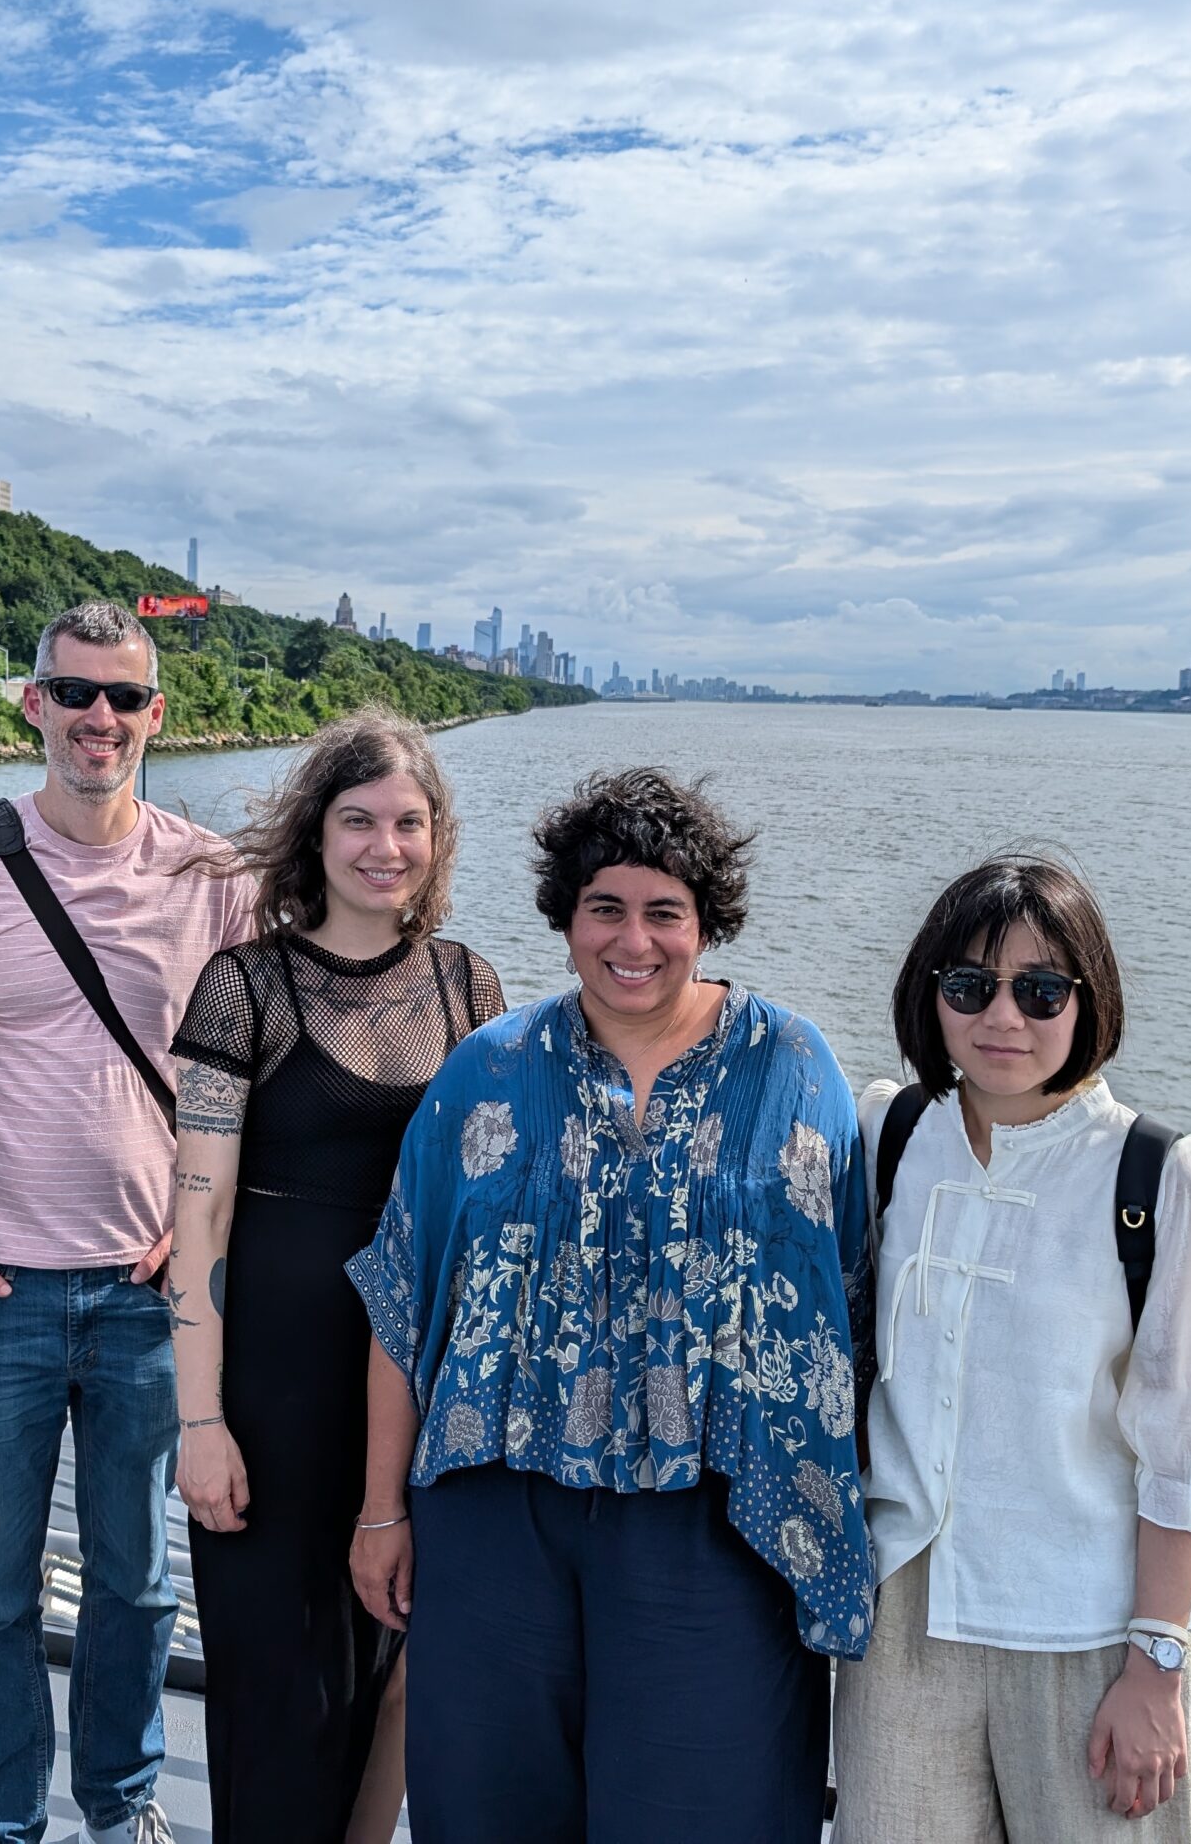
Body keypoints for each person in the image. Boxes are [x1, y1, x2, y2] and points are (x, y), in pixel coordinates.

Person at [345, 766, 872, 1844]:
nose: (633, 940)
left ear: (705, 921)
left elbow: (845, 1298)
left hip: (717, 1515)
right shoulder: (486, 1070)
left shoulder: (793, 1066)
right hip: (497, 1506)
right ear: (567, 915)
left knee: (703, 1806)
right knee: (491, 1805)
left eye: (663, 911)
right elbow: (405, 1302)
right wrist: (381, 1509)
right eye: (605, 907)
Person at [0, 601, 257, 1844]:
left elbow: (260, 1074)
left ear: (159, 716)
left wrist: (209, 1224)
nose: (101, 717)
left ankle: (121, 1801)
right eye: (75, 692)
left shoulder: (214, 878)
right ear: (31, 702)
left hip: (152, 1290)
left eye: (126, 697)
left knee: (136, 1585)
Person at [831, 855, 1191, 1842]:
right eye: (969, 985)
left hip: (1088, 1625)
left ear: (1086, 998)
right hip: (905, 1618)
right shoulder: (891, 1132)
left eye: (1040, 988)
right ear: (930, 994)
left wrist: (1155, 1662)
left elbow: (1184, 1445)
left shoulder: (1156, 1172)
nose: (1002, 1017)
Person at [166, 708, 505, 1844]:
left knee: (403, 1680)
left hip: (424, 1385)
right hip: (271, 1389)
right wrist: (199, 1416)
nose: (383, 846)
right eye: (357, 820)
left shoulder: (470, 988)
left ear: (436, 837)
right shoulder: (243, 986)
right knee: (278, 1696)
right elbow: (197, 1214)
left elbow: (499, 1202)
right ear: (316, 835)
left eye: (407, 822)